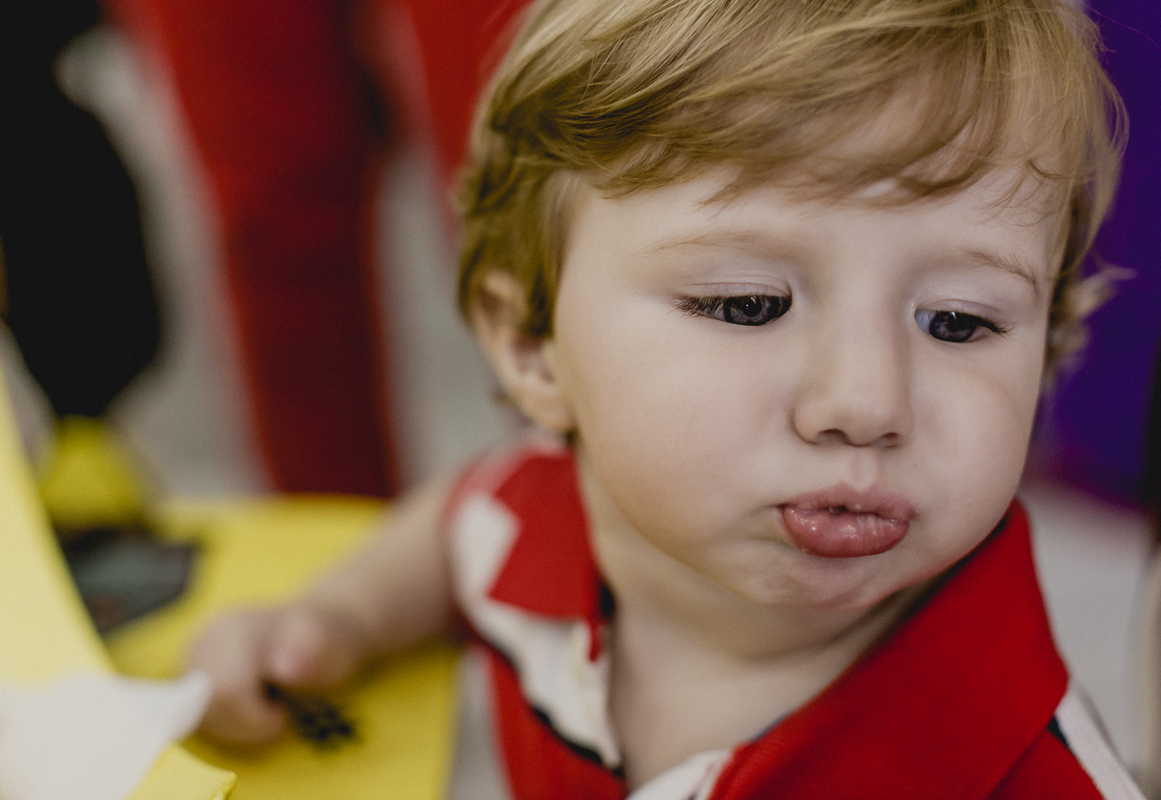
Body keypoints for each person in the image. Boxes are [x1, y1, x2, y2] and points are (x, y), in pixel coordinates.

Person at [187, 0, 1141, 796]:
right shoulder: (541, 519)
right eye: (748, 304)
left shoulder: (1023, 773)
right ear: (533, 347)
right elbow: (460, 530)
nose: (866, 399)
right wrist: (338, 618)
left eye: (961, 323)